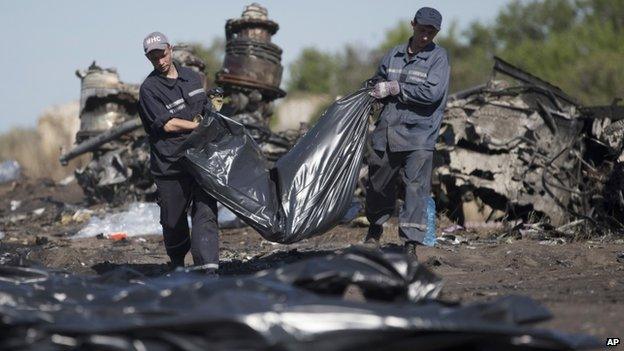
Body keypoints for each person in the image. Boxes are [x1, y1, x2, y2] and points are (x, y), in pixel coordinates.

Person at [364, 7, 450, 258]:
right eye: (422, 30)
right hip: (387, 132)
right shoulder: (393, 55)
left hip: (419, 135)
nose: (425, 36)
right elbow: (378, 80)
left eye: (431, 32)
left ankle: (410, 244)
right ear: (412, 25)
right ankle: (374, 231)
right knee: (378, 183)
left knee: (416, 188)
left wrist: (395, 88)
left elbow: (431, 93)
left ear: (437, 32)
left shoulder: (438, 58)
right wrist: (372, 89)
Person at [137, 31, 219, 272]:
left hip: (200, 161)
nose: (160, 61)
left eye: (161, 54)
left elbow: (206, 110)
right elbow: (168, 124)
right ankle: (177, 266)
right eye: (153, 58)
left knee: (205, 214)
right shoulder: (149, 89)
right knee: (173, 222)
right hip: (170, 166)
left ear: (170, 49)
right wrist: (197, 125)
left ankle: (208, 270)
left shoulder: (193, 78)